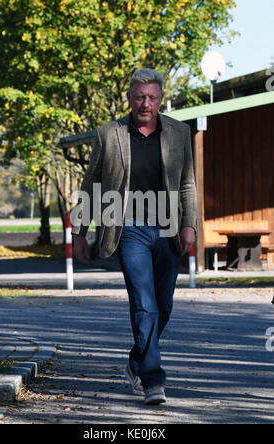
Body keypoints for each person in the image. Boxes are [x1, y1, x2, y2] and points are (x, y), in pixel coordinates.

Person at [71, 68, 197, 405]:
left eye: (152, 97)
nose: (146, 103)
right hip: (127, 226)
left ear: (160, 98)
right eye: (140, 96)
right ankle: (154, 380)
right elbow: (91, 184)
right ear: (129, 97)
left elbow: (187, 183)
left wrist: (190, 225)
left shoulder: (179, 132)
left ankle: (136, 362)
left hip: (168, 227)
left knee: (163, 306)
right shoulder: (109, 134)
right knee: (143, 303)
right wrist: (79, 230)